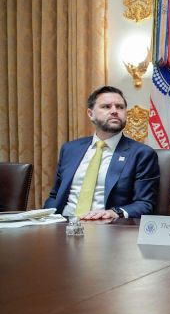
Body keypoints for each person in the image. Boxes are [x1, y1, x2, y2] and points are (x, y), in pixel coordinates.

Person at [45, 86, 159, 219]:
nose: (114, 111)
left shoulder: (141, 154)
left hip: (104, 224)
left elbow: (145, 203)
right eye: (106, 107)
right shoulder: (70, 149)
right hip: (63, 222)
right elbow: (55, 196)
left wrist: (114, 213)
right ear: (90, 114)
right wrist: (45, 219)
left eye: (120, 107)